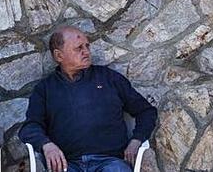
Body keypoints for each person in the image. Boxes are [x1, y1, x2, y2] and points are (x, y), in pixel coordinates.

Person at [19, 25, 157, 172]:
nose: (86, 52)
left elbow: (146, 111)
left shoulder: (109, 78)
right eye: (79, 48)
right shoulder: (45, 89)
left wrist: (136, 140)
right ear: (59, 56)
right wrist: (46, 145)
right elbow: (30, 127)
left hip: (110, 162)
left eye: (87, 46)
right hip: (67, 164)